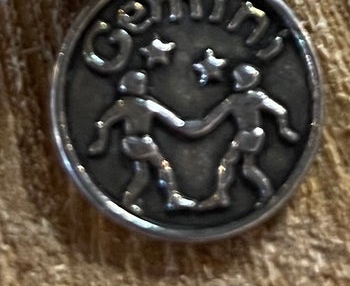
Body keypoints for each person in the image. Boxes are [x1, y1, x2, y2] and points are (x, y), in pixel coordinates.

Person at [175, 64, 298, 210]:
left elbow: (210, 121)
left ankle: (233, 195)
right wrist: (284, 128)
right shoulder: (254, 98)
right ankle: (258, 193)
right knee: (241, 166)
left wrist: (192, 127)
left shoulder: (237, 100)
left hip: (249, 135)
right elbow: (281, 111)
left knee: (234, 164)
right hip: (251, 135)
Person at [88, 70, 195, 212]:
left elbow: (103, 122)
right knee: (164, 167)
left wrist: (101, 140)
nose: (144, 85)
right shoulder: (145, 104)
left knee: (142, 175)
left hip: (132, 143)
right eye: (141, 83)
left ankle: (127, 200)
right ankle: (173, 197)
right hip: (142, 143)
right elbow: (175, 122)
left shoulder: (124, 105)